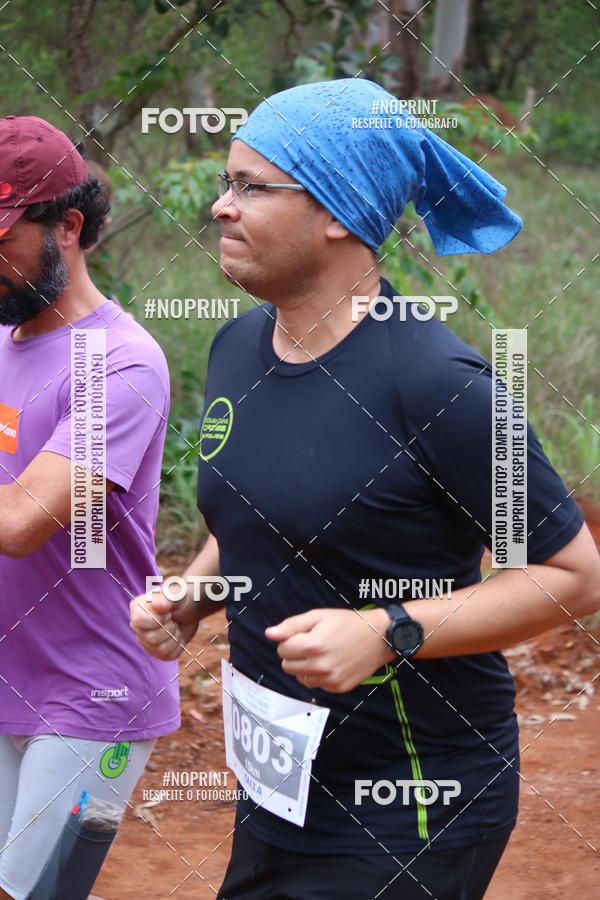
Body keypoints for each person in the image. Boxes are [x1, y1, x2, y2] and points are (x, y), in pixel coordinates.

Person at [131, 79, 600, 900]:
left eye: (250, 186)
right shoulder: (237, 347)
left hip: (414, 797)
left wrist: (388, 631)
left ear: (338, 213)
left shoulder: (439, 385)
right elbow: (257, 510)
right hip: (277, 779)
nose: (219, 208)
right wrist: (194, 595)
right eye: (223, 182)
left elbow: (572, 579)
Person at [0, 115, 180, 899]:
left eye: (1, 236)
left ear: (67, 227)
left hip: (92, 690)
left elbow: (20, 524)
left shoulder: (123, 362)